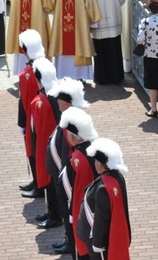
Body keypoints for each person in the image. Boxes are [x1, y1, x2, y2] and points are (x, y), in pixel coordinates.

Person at [46, 79, 90, 256]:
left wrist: (63, 176)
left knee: (70, 215)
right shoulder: (69, 118)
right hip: (65, 176)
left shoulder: (72, 123)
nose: (57, 105)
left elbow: (67, 153)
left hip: (69, 178)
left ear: (66, 103)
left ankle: (71, 243)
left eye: (59, 102)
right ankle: (68, 239)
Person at [47, 0, 101, 80]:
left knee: (62, 46)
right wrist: (93, 23)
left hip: (61, 26)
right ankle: (79, 76)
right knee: (80, 45)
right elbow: (91, 5)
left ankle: (62, 75)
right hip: (80, 27)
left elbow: (50, 5)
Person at [79, 138, 132, 260]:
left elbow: (101, 219)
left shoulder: (103, 188)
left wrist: (97, 244)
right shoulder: (117, 177)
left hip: (102, 244)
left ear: (99, 164)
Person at [58, 107, 99, 259]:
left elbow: (76, 193)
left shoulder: (77, 159)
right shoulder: (92, 150)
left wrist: (72, 215)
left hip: (82, 214)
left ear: (74, 138)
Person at [29, 57, 62, 228]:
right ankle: (52, 211)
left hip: (47, 146)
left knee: (51, 182)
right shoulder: (57, 95)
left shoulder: (40, 101)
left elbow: (35, 129)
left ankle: (55, 215)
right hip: (58, 145)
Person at [87, 0, 126, 85]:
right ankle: (116, 77)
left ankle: (101, 78)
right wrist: (114, 5)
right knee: (114, 48)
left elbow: (88, 3)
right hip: (114, 18)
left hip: (97, 22)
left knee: (100, 50)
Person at [16, 29, 45, 195]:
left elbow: (24, 102)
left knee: (34, 151)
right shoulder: (45, 64)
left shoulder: (27, 74)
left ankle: (40, 186)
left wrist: (22, 123)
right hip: (43, 114)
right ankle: (37, 181)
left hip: (32, 118)